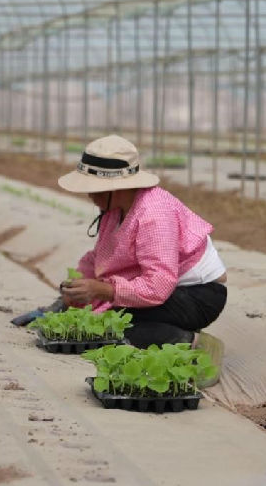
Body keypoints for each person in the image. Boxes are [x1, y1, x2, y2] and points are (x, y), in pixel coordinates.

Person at [58, 135, 226, 382]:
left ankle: (195, 344)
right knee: (109, 316)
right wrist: (81, 285)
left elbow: (157, 287)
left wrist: (102, 290)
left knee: (121, 326)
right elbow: (99, 257)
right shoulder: (116, 209)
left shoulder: (154, 213)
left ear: (115, 187)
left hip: (198, 295)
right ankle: (171, 331)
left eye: (92, 189)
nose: (89, 197)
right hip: (170, 290)